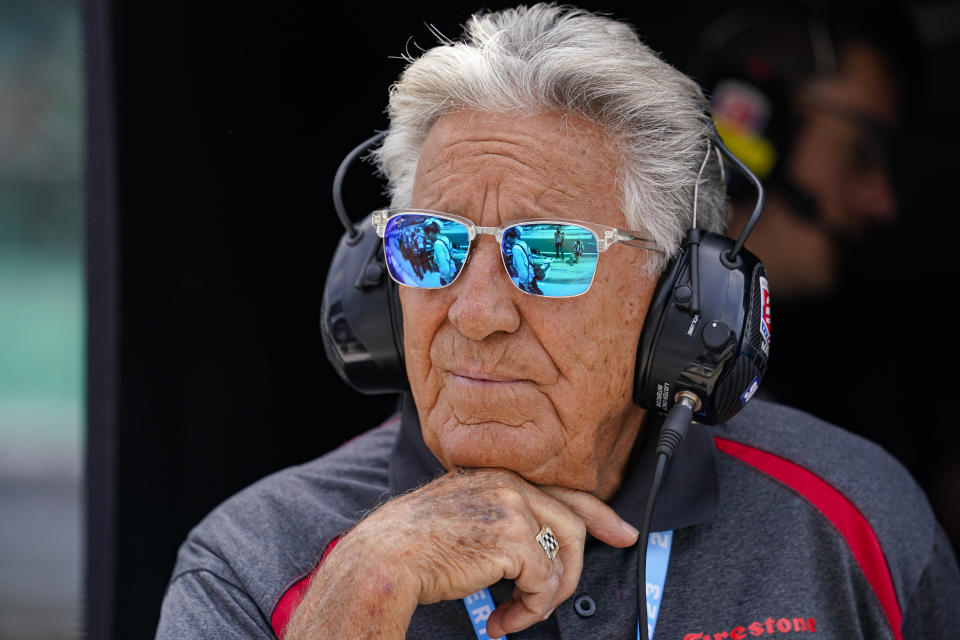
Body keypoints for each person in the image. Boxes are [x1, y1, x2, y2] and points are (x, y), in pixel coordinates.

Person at [156, 5, 960, 639]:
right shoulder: (251, 563)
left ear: (681, 295)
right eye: (430, 245)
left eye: (549, 253)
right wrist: (360, 596)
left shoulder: (853, 519)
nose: (474, 314)